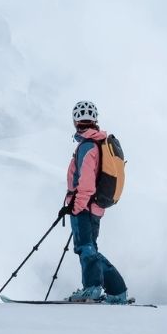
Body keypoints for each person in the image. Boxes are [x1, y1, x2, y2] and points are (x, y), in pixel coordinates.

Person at [58, 100, 128, 304]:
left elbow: (86, 183)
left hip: (85, 206)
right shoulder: (98, 142)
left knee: (85, 248)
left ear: (74, 122)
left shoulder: (87, 145)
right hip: (95, 206)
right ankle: (116, 291)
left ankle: (93, 288)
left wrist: (75, 207)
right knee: (90, 248)